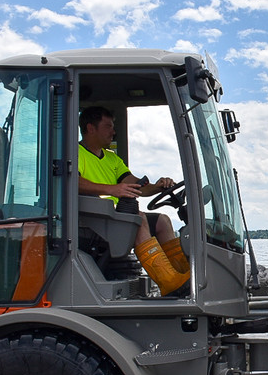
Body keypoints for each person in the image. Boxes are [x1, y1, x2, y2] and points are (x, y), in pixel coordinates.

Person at [78, 106, 189, 296]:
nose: (113, 131)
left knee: (162, 221)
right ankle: (168, 281)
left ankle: (183, 274)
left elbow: (134, 185)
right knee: (138, 219)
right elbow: (74, 183)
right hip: (90, 221)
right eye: (108, 126)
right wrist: (112, 189)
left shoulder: (112, 159)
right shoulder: (75, 153)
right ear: (90, 128)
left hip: (113, 219)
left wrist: (157, 186)